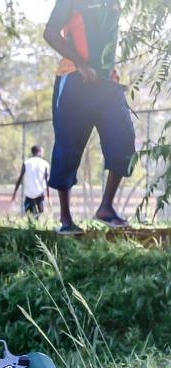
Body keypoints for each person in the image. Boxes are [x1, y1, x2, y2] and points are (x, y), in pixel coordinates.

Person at [44, 0, 136, 235]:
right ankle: (66, 220)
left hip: (107, 83)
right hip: (75, 77)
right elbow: (51, 33)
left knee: (124, 139)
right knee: (68, 148)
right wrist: (81, 64)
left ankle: (106, 208)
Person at [11, 145, 51, 216]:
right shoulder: (45, 164)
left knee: (29, 215)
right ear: (39, 152)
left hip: (29, 194)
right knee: (38, 215)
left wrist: (14, 193)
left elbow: (20, 179)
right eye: (42, 152)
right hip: (40, 194)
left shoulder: (26, 163)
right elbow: (47, 181)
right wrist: (48, 196)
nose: (43, 154)